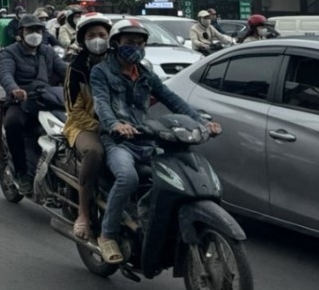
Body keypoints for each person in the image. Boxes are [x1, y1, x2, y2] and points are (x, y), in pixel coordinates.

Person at [90, 19, 222, 264]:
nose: (135, 48)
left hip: (147, 141)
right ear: (116, 43)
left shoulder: (146, 74)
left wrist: (202, 122)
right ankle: (107, 235)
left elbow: (173, 100)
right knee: (127, 177)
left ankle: (147, 221)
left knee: (172, 177)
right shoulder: (101, 72)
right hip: (118, 142)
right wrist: (116, 125)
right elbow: (101, 104)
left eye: (140, 43)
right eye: (130, 42)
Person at [0, 14, 68, 188]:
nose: (35, 34)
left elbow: (65, 71)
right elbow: (5, 74)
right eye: (30, 30)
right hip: (22, 102)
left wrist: (86, 79)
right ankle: (21, 173)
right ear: (21, 32)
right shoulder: (10, 52)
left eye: (38, 30)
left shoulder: (48, 51)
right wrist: (15, 90)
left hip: (47, 100)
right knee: (13, 124)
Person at [62, 13, 113, 240]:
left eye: (102, 34)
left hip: (121, 126)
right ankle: (83, 214)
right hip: (84, 126)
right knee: (94, 152)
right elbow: (73, 110)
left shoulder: (121, 63)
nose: (98, 39)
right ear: (83, 39)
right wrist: (103, 126)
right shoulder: (76, 69)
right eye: (92, 35)